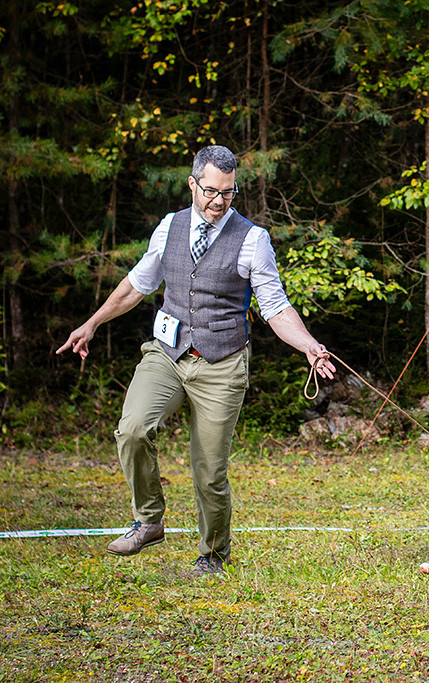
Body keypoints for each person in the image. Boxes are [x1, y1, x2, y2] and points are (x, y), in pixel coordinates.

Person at [57, 145, 336, 575]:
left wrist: (308, 345)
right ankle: (148, 520)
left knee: (208, 471)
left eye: (228, 192)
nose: (218, 201)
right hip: (167, 353)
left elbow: (275, 308)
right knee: (131, 429)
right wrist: (91, 323)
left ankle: (213, 556)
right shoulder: (169, 227)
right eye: (210, 190)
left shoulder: (253, 240)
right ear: (192, 184)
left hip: (222, 362)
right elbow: (136, 285)